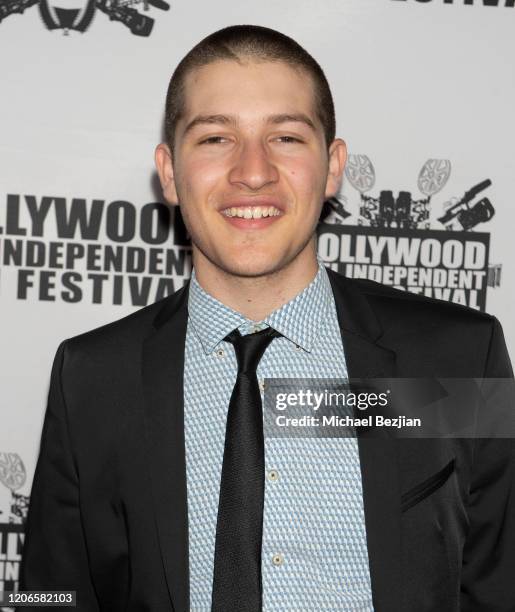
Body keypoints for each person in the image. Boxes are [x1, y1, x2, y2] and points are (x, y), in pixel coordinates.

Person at [19, 24, 515, 612]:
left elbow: (499, 581)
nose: (252, 171)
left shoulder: (458, 358)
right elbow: (50, 594)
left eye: (284, 137)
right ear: (170, 173)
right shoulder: (92, 376)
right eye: (214, 139)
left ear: (333, 167)